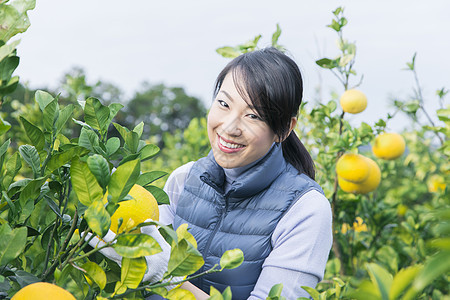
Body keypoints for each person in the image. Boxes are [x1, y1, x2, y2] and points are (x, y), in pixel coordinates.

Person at [90, 47, 332, 299]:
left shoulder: (305, 210)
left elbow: (156, 266)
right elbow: (141, 252)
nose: (229, 127)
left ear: (285, 129)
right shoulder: (184, 179)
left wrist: (166, 277)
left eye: (253, 115)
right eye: (224, 103)